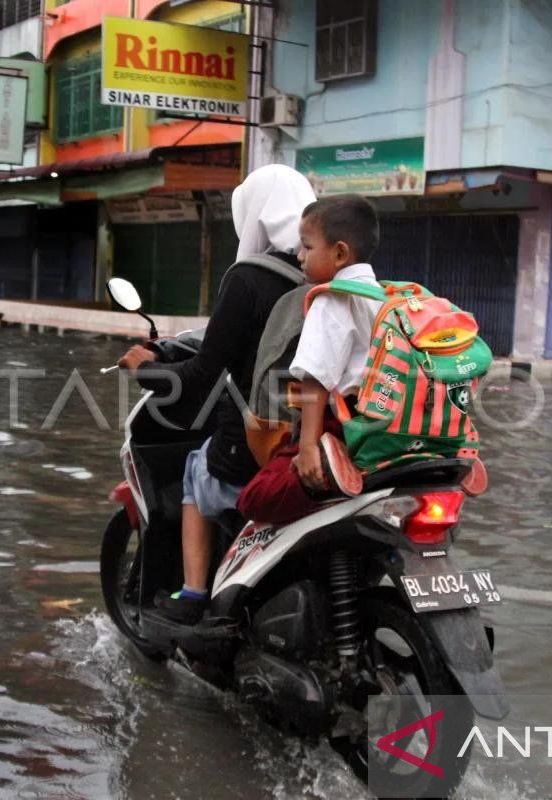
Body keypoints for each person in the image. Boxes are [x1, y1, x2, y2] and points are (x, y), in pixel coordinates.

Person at [117, 165, 317, 624]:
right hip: (322, 435)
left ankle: (192, 595)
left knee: (196, 470)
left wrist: (148, 368)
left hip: (260, 437)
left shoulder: (248, 278)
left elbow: (205, 373)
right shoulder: (327, 271)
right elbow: (221, 339)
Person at [237, 194, 381, 525]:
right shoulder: (385, 298)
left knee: (253, 498)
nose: (300, 256)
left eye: (307, 247)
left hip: (336, 427)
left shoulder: (330, 300)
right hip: (373, 426)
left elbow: (314, 380)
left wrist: (307, 450)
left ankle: (330, 478)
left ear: (340, 253)